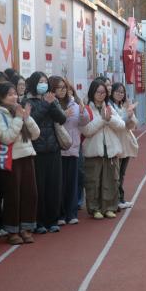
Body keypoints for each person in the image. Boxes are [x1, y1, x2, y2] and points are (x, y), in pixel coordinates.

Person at [0, 81, 40, 244]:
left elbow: (36, 134)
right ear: (1, 97)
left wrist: (27, 118)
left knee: (30, 194)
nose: (14, 97)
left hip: (27, 156)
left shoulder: (19, 110)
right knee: (13, 196)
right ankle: (12, 230)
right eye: (10, 94)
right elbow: (6, 138)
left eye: (15, 94)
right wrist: (19, 118)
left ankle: (26, 228)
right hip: (12, 160)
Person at [27, 71, 66, 233]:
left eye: (45, 82)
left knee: (54, 186)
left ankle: (53, 220)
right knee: (39, 188)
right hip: (37, 151)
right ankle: (39, 221)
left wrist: (51, 104)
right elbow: (32, 121)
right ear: (34, 84)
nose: (43, 84)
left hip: (53, 149)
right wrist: (45, 104)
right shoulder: (27, 101)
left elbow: (62, 119)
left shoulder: (52, 99)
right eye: (40, 82)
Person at [81, 78, 125, 219]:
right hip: (93, 151)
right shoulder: (87, 109)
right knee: (93, 182)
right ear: (92, 93)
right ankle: (95, 208)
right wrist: (102, 120)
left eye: (103, 92)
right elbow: (86, 130)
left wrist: (109, 119)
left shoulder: (109, 108)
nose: (101, 95)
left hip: (111, 151)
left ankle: (109, 207)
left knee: (111, 181)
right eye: (98, 92)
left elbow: (121, 125)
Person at [109, 83, 139, 209]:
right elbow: (119, 123)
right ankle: (115, 200)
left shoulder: (123, 106)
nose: (120, 94)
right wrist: (127, 115)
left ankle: (120, 199)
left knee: (121, 174)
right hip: (116, 143)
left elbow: (133, 124)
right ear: (112, 92)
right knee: (115, 175)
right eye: (117, 91)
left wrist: (130, 115)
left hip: (126, 144)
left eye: (122, 92)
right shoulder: (110, 106)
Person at [59, 79, 83, 226]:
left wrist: (83, 112)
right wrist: (63, 115)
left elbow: (83, 122)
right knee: (60, 184)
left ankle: (72, 213)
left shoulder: (75, 104)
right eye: (60, 88)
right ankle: (61, 214)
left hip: (73, 148)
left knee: (72, 183)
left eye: (66, 88)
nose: (64, 91)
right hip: (58, 150)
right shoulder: (53, 104)